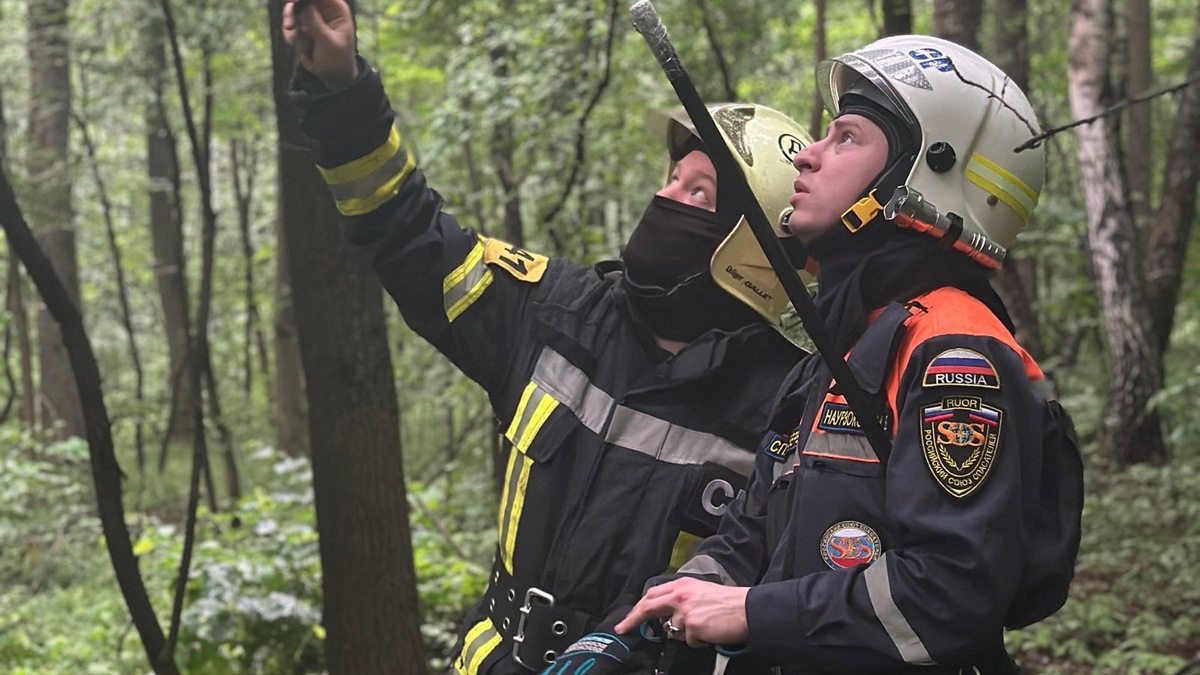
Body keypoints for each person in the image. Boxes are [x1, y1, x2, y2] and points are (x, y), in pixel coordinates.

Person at [281, 2, 814, 673]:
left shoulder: (791, 407)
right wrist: (341, 87)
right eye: (670, 177)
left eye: (698, 190)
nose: (665, 197)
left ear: (750, 248)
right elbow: (405, 230)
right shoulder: (556, 311)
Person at [613, 35, 1085, 675]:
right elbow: (755, 528)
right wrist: (670, 602)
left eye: (847, 138)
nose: (807, 156)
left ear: (923, 179)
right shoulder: (842, 350)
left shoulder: (955, 355)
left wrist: (751, 613)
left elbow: (948, 599)